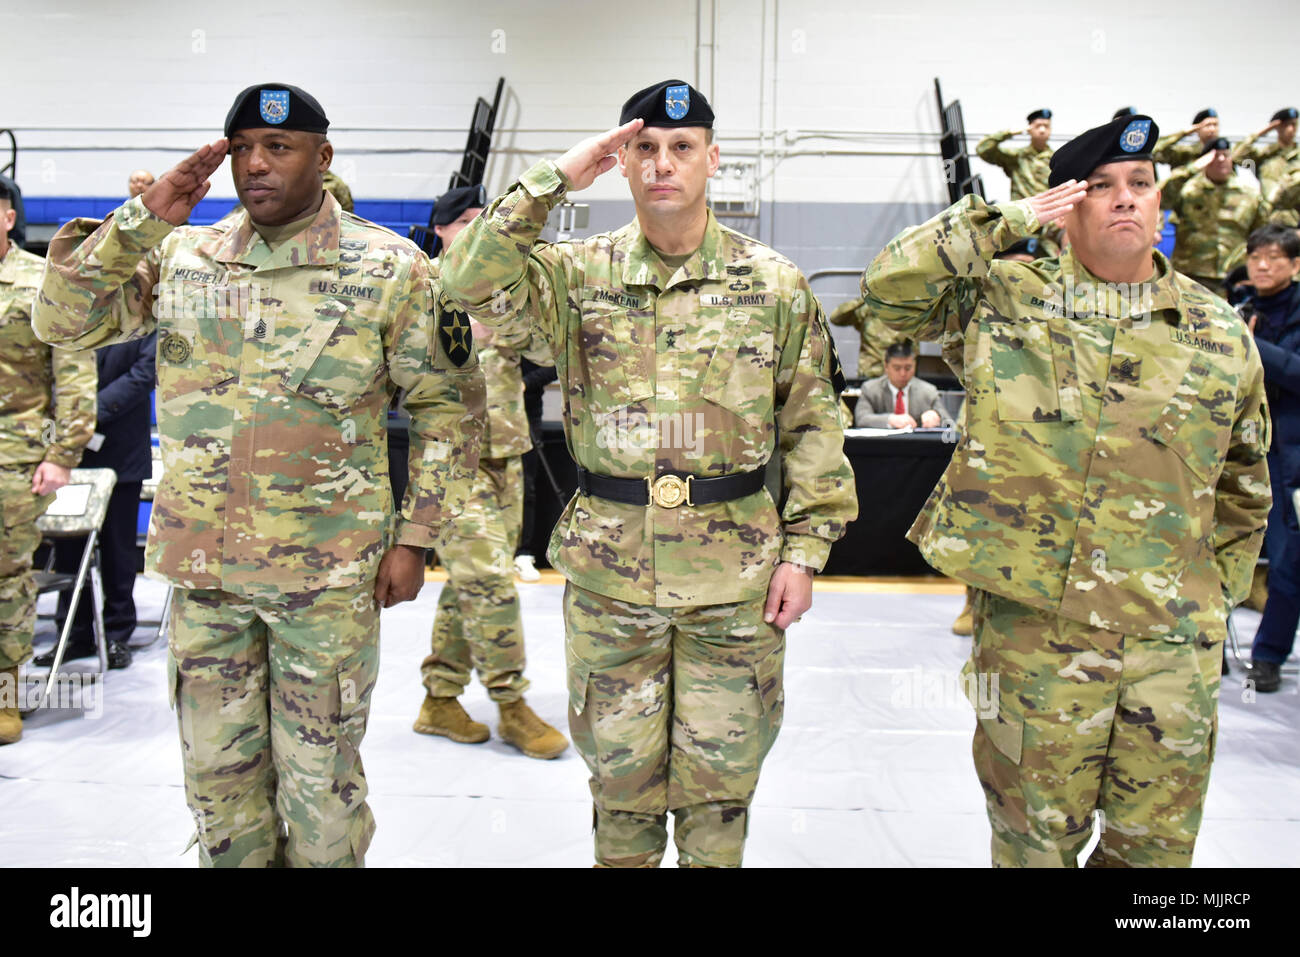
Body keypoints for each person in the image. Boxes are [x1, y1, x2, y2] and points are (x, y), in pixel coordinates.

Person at [33, 83, 484, 866]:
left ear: (323, 156)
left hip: (327, 582)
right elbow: (62, 320)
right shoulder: (184, 255)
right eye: (241, 147)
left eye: (279, 147)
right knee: (219, 791)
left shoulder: (388, 268)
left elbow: (450, 408)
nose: (256, 164)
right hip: (206, 580)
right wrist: (146, 217)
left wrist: (416, 538)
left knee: (321, 794)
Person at [439, 79, 858, 868]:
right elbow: (461, 281)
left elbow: (812, 424)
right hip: (612, 580)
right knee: (619, 789)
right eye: (645, 148)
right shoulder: (574, 275)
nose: (664, 163)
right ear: (623, 161)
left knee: (720, 792)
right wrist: (553, 179)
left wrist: (806, 552)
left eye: (682, 147)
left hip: (735, 580)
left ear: (712, 159)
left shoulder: (772, 283)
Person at [861, 113, 1271, 867]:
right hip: (1033, 642)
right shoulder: (1003, 297)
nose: (1125, 199)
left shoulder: (1218, 330)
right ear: (1063, 210)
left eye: (1141, 186)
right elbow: (885, 290)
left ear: (1160, 206)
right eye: (1101, 187)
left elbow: (1245, 482)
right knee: (1032, 846)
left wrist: (1208, 602)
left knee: (1155, 854)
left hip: (1171, 645)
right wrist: (1006, 219)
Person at [413, 184, 566, 758]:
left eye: (487, 222)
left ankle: (440, 698)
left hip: (504, 451)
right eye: (470, 222)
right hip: (450, 461)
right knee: (492, 582)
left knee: (472, 581)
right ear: (443, 230)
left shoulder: (501, 289)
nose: (481, 233)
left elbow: (540, 356)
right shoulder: (421, 285)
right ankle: (511, 704)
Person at [0, 181, 97, 745]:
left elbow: (75, 374)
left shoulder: (41, 282)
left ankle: (6, 692)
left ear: (9, 218)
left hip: (14, 459)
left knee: (8, 578)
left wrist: (63, 454)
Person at [38, 331, 157, 671]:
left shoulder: (143, 319)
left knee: (119, 552)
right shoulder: (65, 318)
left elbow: (144, 373)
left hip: (122, 453)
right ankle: (73, 636)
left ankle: (117, 634)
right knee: (68, 551)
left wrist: (88, 414)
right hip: (70, 455)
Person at [1227, 225, 1300, 693]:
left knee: (1291, 558)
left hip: (1293, 456)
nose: (1263, 265)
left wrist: (1249, 344)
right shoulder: (1239, 309)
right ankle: (1208, 649)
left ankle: (1268, 655)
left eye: (1275, 257)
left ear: (1295, 265)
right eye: (1257, 256)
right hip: (1244, 450)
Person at [1160, 138, 1275, 293]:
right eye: (1215, 156)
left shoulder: (1249, 194)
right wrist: (1192, 167)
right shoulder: (1187, 190)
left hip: (1234, 275)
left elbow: (1261, 235)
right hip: (1191, 274)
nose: (1221, 160)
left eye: (1225, 155)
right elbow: (1160, 195)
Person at [514, 355, 558, 581]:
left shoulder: (532, 329)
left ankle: (524, 553)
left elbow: (553, 367)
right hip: (486, 413)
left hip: (525, 415)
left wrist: (524, 383)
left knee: (526, 485)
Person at [853, 340, 952, 429]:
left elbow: (949, 423)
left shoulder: (928, 391)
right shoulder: (871, 389)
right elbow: (861, 419)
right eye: (897, 368)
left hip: (917, 445)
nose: (903, 373)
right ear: (886, 367)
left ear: (915, 365)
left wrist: (937, 416)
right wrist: (890, 419)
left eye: (908, 368)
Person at [976, 109, 1054, 201]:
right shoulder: (1017, 156)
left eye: (1046, 126)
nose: (1042, 130)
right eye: (1037, 126)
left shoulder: (1055, 159)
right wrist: (1008, 133)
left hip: (1049, 210)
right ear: (1029, 129)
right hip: (1021, 212)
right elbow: (982, 149)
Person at [828, 296, 911, 380]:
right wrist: (865, 297)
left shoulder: (904, 312)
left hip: (896, 375)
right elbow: (835, 318)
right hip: (869, 373)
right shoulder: (868, 309)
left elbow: (912, 350)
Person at [1232, 108, 1300, 204]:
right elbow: (1237, 157)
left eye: (1294, 125)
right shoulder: (1264, 155)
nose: (1290, 129)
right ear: (1276, 127)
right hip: (1268, 214)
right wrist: (1261, 133)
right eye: (1285, 125)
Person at [1152, 109, 1220, 170]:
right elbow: (1153, 151)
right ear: (1196, 129)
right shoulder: (1185, 152)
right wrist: (1182, 133)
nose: (1212, 129)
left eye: (1215, 125)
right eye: (1208, 125)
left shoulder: (1225, 154)